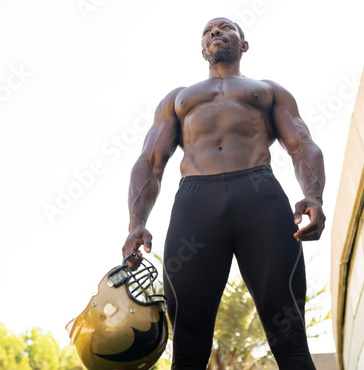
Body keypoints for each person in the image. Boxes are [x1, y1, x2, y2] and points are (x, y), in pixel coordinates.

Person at [122, 17, 325, 369]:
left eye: (225, 27)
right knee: (187, 349)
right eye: (208, 31)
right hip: (195, 205)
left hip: (260, 198)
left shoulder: (267, 90)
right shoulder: (178, 99)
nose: (215, 32)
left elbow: (302, 145)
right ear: (203, 50)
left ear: (243, 44)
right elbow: (150, 162)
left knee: (290, 340)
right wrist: (135, 222)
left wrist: (314, 196)